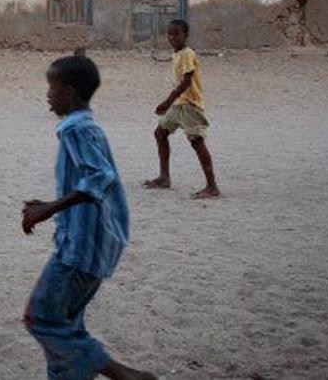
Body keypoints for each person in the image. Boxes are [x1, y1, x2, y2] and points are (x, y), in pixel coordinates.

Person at [22, 55, 155, 380]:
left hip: (80, 251)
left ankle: (123, 374)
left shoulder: (75, 128)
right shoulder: (86, 126)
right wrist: (52, 203)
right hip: (95, 245)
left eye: (51, 87)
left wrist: (48, 209)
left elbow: (99, 175)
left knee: (40, 318)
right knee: (67, 325)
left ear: (70, 91)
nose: (48, 95)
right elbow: (90, 178)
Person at [142, 19, 221, 199]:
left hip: (189, 105)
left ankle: (212, 186)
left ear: (186, 35)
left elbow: (186, 81)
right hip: (179, 104)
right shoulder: (177, 54)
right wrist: (172, 102)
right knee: (160, 133)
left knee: (197, 142)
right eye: (169, 34)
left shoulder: (187, 54)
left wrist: (167, 102)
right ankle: (164, 177)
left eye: (176, 33)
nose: (172, 37)